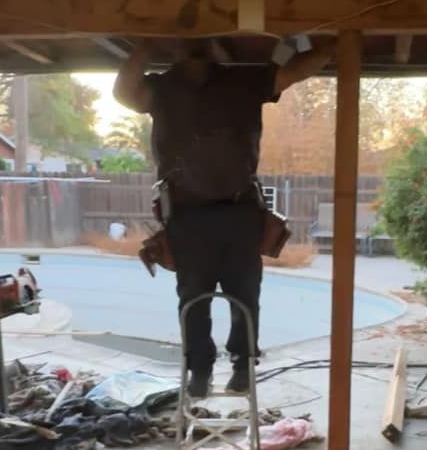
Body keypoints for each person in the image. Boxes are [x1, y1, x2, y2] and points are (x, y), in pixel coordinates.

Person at [114, 36, 335, 397]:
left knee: (240, 297)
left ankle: (241, 367)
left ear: (217, 49)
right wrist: (147, 48)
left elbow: (293, 72)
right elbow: (123, 93)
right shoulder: (164, 88)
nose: (195, 49)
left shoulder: (243, 81)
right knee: (196, 300)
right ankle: (201, 371)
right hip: (191, 216)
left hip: (236, 213)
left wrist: (323, 44)